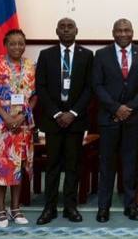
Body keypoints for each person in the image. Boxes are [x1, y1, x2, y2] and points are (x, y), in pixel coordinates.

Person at [92, 18, 138, 223]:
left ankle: (131, 206)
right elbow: (97, 85)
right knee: (106, 165)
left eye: (126, 30)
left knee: (130, 164)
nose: (123, 33)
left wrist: (130, 107)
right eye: (119, 30)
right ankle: (104, 208)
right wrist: (115, 107)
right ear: (113, 33)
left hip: (133, 117)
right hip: (109, 117)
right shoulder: (101, 55)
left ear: (132, 32)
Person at [35, 18, 94, 225]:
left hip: (76, 121)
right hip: (53, 121)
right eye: (63, 27)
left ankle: (70, 207)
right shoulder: (45, 55)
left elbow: (89, 87)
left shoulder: (87, 55)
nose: (67, 30)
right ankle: (49, 208)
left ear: (77, 30)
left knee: (73, 165)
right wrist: (56, 114)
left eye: (70, 27)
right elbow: (40, 87)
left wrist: (73, 113)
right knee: (52, 166)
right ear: (57, 30)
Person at [0, 28, 37, 228]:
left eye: (21, 43)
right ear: (6, 44)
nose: (17, 47)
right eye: (13, 43)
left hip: (22, 125)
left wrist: (22, 116)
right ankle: (0, 210)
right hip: (0, 124)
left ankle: (16, 208)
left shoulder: (31, 66)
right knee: (0, 168)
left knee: (19, 167)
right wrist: (6, 117)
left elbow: (35, 95)